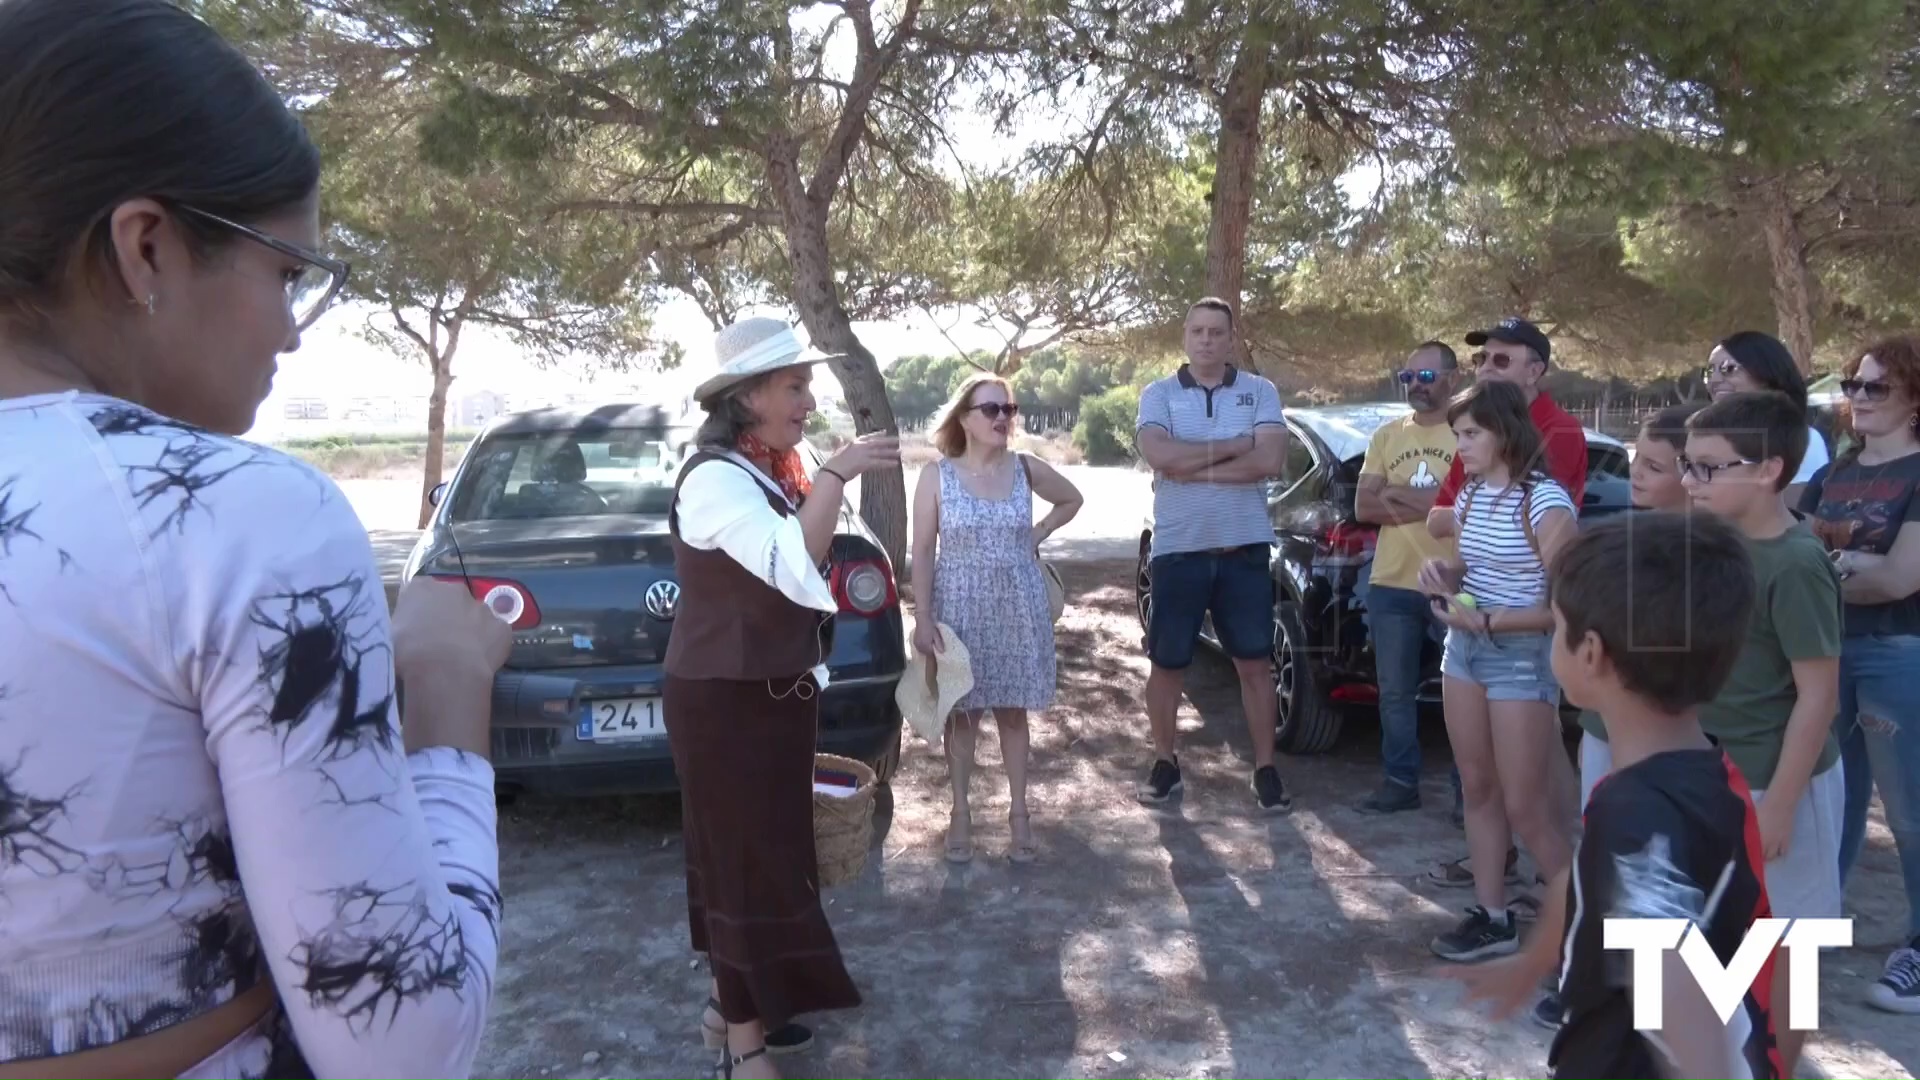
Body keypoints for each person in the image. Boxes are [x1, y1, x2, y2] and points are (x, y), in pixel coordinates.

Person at [0, 2, 514, 1077]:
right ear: (145, 246)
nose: (291, 331)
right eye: (286, 272)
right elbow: (403, 1047)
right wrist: (448, 695)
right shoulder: (243, 518)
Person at [1447, 511, 1778, 1080]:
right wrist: (1534, 961)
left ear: (1591, 653)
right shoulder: (1709, 773)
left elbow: (1674, 984)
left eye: (1556, 627)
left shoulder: (1636, 818)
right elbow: (1584, 880)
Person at [664, 316, 899, 1080]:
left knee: (770, 860)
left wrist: (822, 478)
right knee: (739, 864)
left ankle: (729, 1007)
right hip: (723, 704)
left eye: (806, 385)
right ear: (748, 396)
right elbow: (792, 559)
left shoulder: (766, 471)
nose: (809, 400)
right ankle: (743, 1045)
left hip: (770, 698)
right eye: (795, 386)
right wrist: (837, 475)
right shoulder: (714, 477)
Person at [1682, 390, 1844, 1073]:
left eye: (1709, 468)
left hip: (1780, 783)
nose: (1691, 481)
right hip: (1712, 777)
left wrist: (1778, 803)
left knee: (1787, 945)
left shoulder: (1796, 563)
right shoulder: (1711, 541)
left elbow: (1819, 696)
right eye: (1687, 465)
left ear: (1770, 470)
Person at [1417, 381, 1579, 963]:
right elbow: (1468, 567)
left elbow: (1567, 607)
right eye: (1458, 434)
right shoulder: (1470, 496)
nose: (1460, 445)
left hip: (1521, 656)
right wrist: (1444, 577)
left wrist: (1490, 621)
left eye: (1470, 434)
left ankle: (1588, 933)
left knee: (1526, 807)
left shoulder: (1546, 504)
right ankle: (1493, 918)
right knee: (1478, 788)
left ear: (1505, 433)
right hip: (1463, 650)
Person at [911, 373, 1083, 864]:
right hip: (959, 606)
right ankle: (960, 814)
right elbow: (921, 552)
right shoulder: (936, 476)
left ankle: (1020, 814)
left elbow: (1072, 499)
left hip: (1017, 606)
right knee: (962, 715)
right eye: (991, 409)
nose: (1003, 417)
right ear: (964, 419)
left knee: (1012, 712)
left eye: (1008, 408)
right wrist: (923, 618)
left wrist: (1037, 532)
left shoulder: (1025, 468)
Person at [1800, 334, 1920, 1013]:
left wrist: (1829, 571)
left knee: (1908, 811)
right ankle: (1815, 923)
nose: (1860, 398)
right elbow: (1795, 557)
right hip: (1827, 649)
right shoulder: (1836, 472)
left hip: (1900, 652)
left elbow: (1901, 579)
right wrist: (1854, 568)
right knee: (1830, 796)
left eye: (1878, 386)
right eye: (1854, 385)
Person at [1133, 298, 1292, 811]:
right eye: (1197, 331)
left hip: (1243, 550)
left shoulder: (1260, 391)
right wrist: (1233, 446)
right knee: (1166, 664)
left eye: (1216, 332)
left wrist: (1190, 466)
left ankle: (1265, 770)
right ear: (1185, 336)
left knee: (1255, 665)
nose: (1206, 340)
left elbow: (1269, 460)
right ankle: (1165, 763)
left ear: (1230, 338)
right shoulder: (1158, 395)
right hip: (1178, 551)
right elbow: (1159, 456)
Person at [1353, 341, 1462, 814]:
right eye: (1408, 376)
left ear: (1453, 379)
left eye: (1427, 376)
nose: (1416, 385)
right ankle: (1400, 783)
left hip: (1456, 582)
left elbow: (1469, 507)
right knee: (1394, 694)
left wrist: (1397, 494)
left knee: (1464, 695)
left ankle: (1469, 795)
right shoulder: (1386, 436)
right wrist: (1437, 501)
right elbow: (1364, 506)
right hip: (1391, 584)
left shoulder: (1469, 433)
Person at [1705, 329, 1829, 506]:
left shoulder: (1804, 439)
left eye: (1728, 369)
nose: (1714, 380)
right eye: (1710, 371)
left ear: (1764, 374)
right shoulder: (1702, 440)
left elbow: (1798, 510)